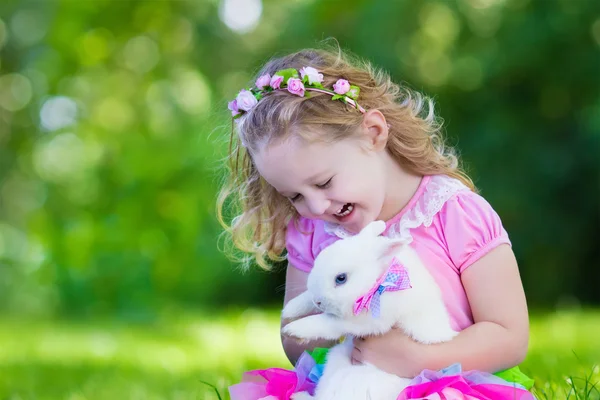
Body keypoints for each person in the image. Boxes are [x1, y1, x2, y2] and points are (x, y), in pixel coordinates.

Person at [217, 46, 530, 383]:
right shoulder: (311, 230)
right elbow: (296, 341)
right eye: (294, 196)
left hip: (449, 383)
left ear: (374, 133)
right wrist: (339, 316)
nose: (317, 207)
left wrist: (423, 359)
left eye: (324, 182)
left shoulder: (454, 213)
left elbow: (509, 335)